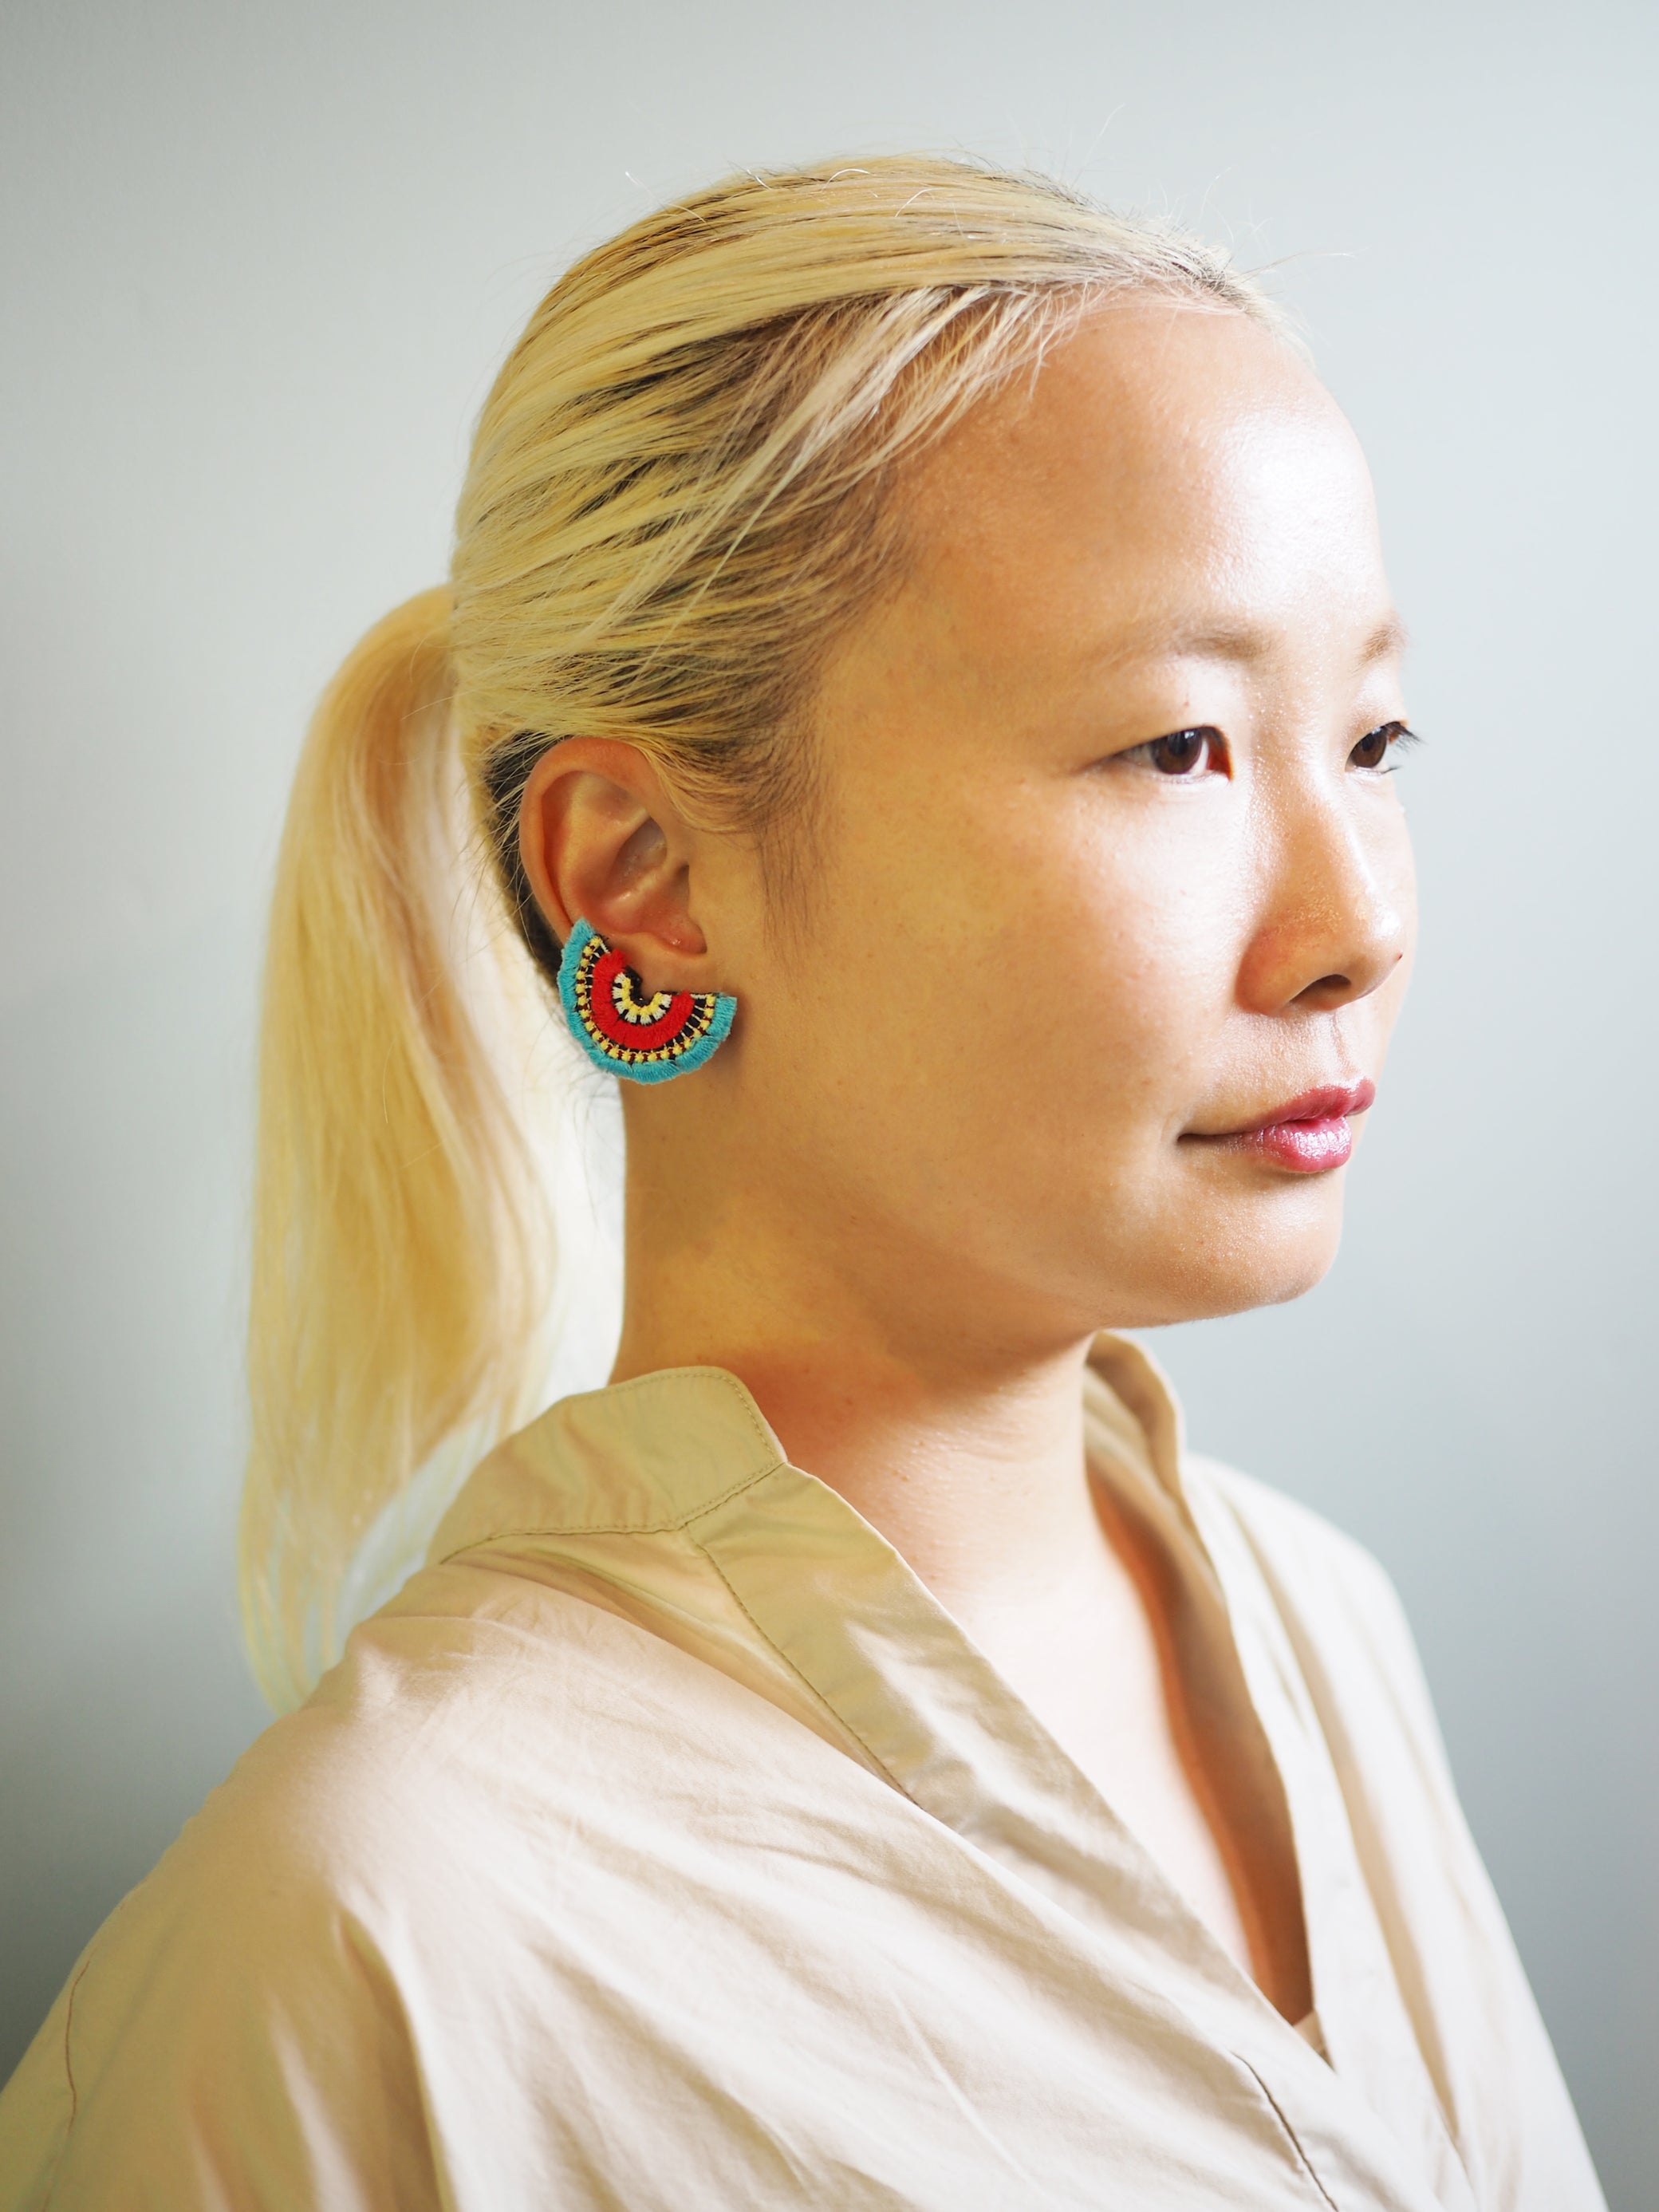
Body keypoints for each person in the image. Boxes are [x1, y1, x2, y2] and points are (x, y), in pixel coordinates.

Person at [0, 156, 1604, 2211]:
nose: (1357, 926)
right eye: (1179, 747)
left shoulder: (1328, 1623)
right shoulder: (372, 1942)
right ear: (645, 881)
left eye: (1375, 743)